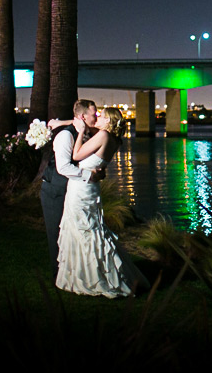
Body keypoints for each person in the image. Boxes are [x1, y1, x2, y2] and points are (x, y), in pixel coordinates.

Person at [55, 106, 148, 297]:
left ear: (108, 121)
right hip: (88, 187)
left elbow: (76, 156)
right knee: (90, 228)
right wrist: (64, 123)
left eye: (102, 116)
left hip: (82, 188)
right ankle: (91, 272)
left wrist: (80, 133)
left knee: (84, 229)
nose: (97, 117)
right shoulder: (112, 138)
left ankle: (94, 276)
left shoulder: (103, 135)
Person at [40, 99, 97, 282]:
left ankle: (74, 272)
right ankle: (58, 275)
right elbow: (63, 168)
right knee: (56, 233)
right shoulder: (66, 136)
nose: (96, 117)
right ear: (82, 116)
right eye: (93, 114)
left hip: (72, 191)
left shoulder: (85, 132)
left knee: (71, 232)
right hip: (54, 189)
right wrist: (89, 176)